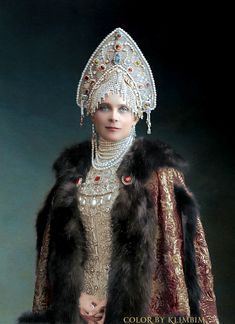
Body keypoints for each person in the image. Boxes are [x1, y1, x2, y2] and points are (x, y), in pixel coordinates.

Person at [17, 28, 219, 324]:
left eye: (123, 108)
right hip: (78, 312)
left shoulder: (157, 175)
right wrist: (76, 298)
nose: (114, 116)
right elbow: (54, 256)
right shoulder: (72, 176)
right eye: (104, 107)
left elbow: (170, 261)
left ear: (137, 115)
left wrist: (115, 301)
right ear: (90, 112)